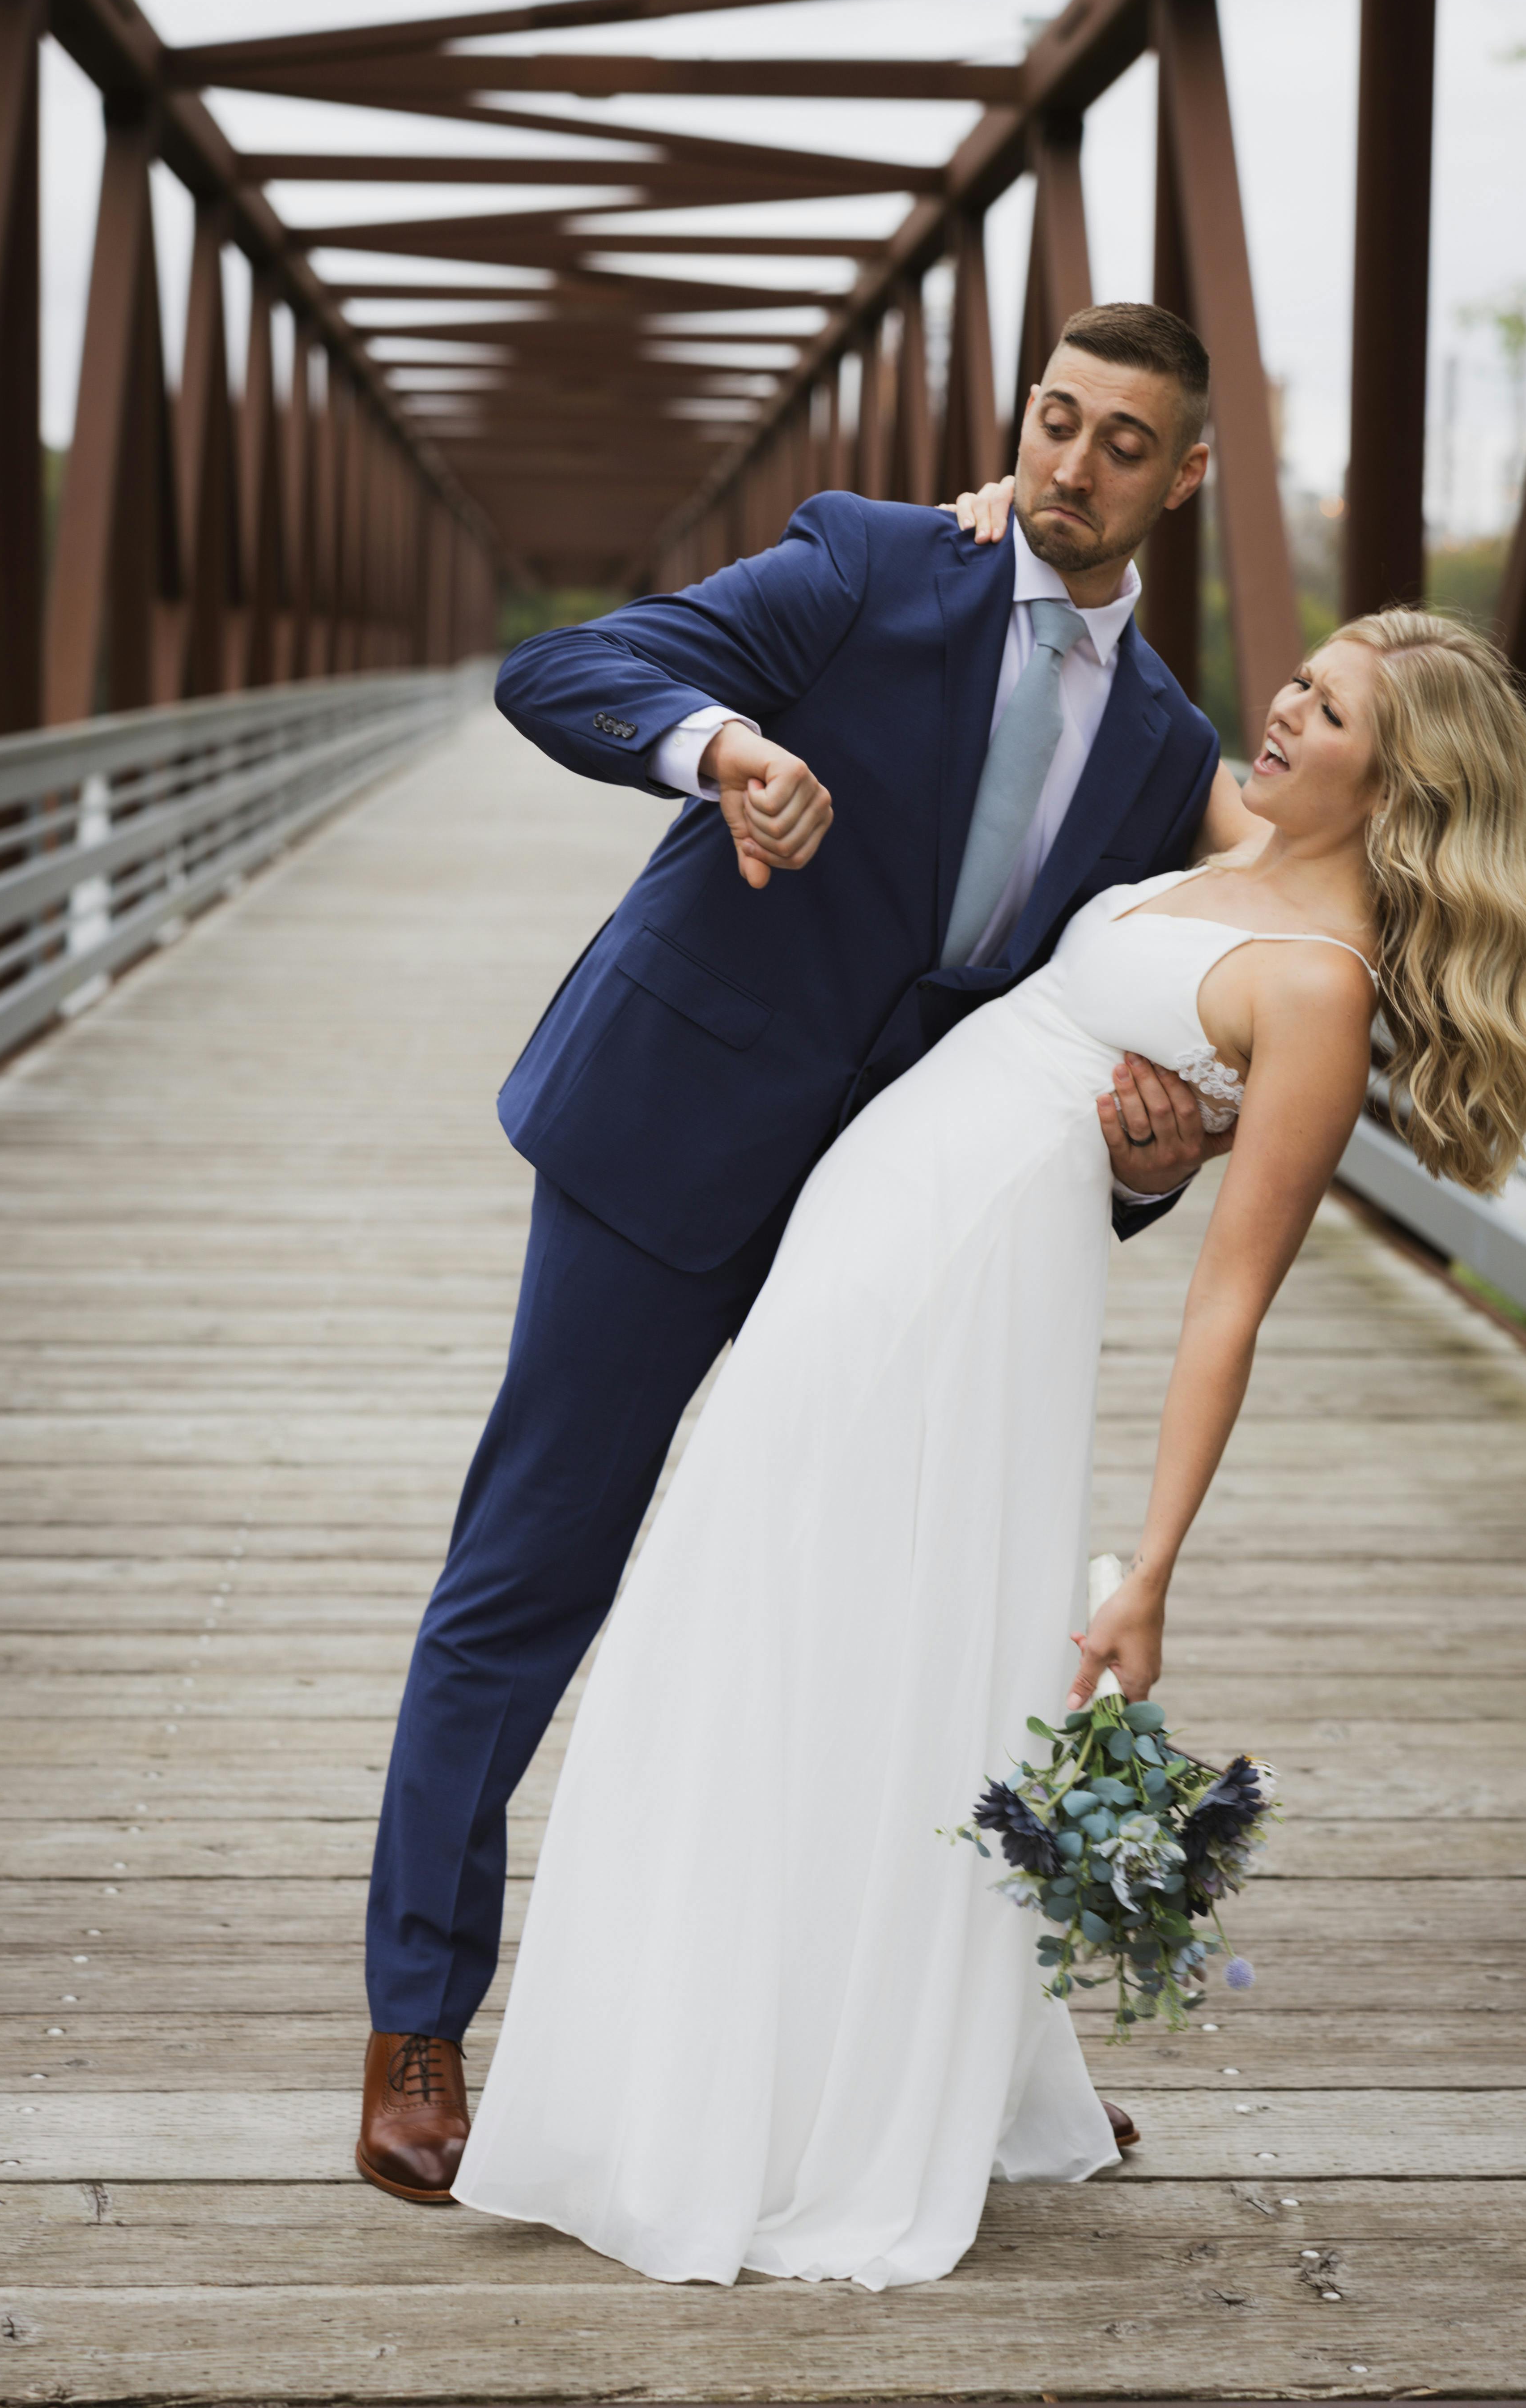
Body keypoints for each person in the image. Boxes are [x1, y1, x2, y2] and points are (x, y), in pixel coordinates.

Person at [451, 599, 1526, 2286]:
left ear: (1397, 779)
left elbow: (1228, 1302)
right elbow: (1069, 693)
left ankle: (767, 2104)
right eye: (1301, 676)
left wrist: (1158, 1571)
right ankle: (746, 2052)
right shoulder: (1241, 844)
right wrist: (998, 520)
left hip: (951, 1299)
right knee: (785, 1625)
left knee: (777, 1626)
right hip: (872, 1244)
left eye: (1326, 712)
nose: (1279, 711)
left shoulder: (1316, 986)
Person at [359, 303, 1249, 2203]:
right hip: (664, 1138)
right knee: (530, 1576)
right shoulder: (861, 560)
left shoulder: (1170, 749)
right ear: (1021, 418)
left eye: (1119, 444)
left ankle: (902, 2058)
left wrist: (1152, 1164)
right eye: (1053, 422)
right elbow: (562, 665)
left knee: (869, 1625)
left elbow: (1103, 1036)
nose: (1071, 468)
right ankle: (420, 2020)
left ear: (1185, 479)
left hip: (889, 1222)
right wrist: (718, 749)